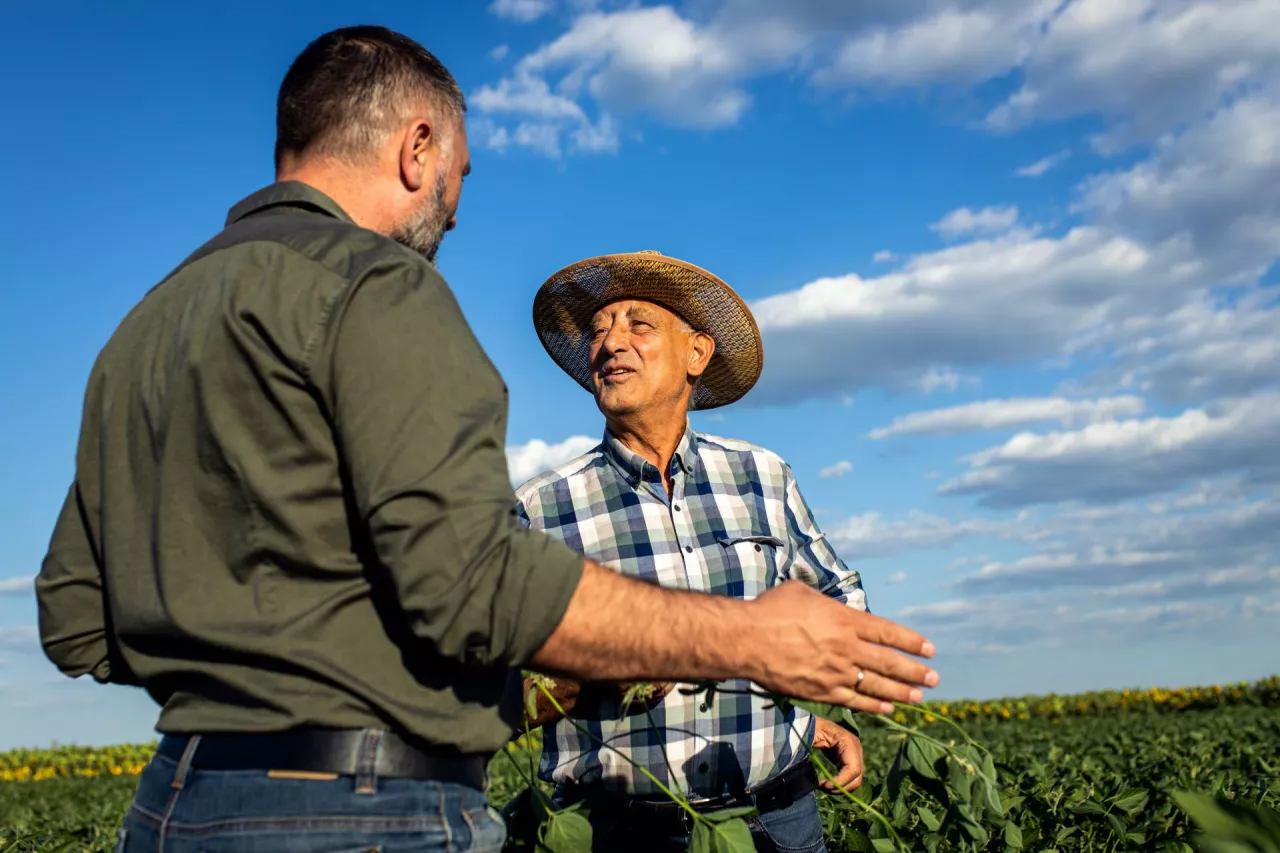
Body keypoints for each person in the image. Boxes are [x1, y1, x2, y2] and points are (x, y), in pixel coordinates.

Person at [33, 26, 939, 853]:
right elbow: (471, 585)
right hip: (365, 807)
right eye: (460, 170)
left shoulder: (146, 326)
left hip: (176, 804)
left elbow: (75, 617)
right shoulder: (374, 285)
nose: (458, 207)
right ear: (416, 147)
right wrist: (743, 640)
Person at [513, 251, 873, 852]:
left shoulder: (762, 475)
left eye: (637, 325)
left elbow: (839, 597)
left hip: (781, 821)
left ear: (697, 354)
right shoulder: (540, 509)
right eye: (599, 331)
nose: (608, 344)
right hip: (624, 832)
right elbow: (478, 686)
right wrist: (588, 680)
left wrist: (807, 714)